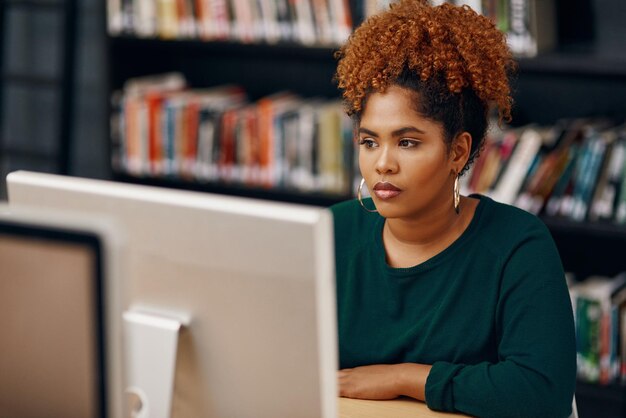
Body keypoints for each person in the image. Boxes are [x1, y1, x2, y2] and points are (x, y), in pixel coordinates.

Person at [330, 1, 577, 417]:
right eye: (370, 141)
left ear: (457, 152)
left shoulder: (518, 245)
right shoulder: (330, 232)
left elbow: (541, 390)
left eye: (407, 142)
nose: (382, 163)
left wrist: (402, 377)